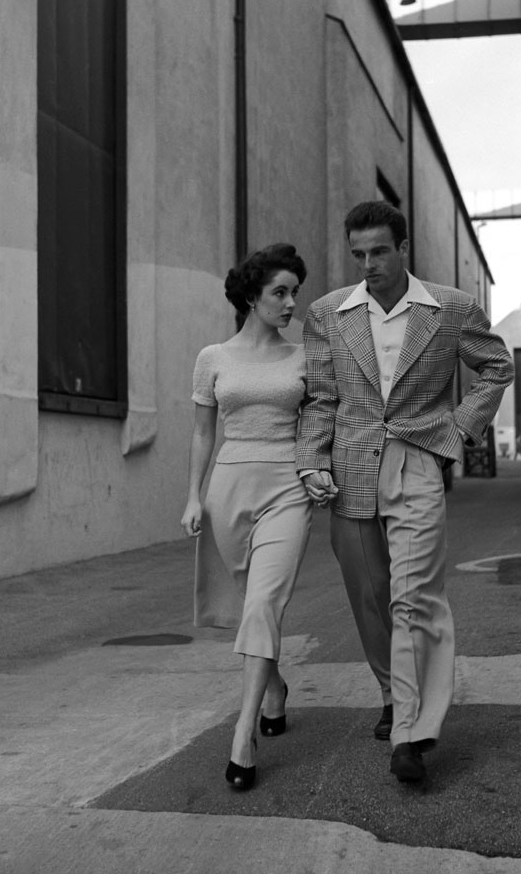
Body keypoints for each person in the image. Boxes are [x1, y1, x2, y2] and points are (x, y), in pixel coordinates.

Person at [296, 201, 514, 784]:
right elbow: (321, 398)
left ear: (403, 248)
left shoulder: (449, 309)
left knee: (414, 597)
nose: (368, 264)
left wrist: (458, 430)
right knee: (370, 598)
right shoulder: (327, 314)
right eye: (358, 254)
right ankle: (394, 693)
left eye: (379, 252)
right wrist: (310, 462)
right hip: (349, 470)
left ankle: (412, 734)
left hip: (418, 460)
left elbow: (497, 366)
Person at [180, 243, 312, 793]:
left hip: (289, 488)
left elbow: (321, 421)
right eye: (279, 292)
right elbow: (203, 431)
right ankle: (274, 686)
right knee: (244, 605)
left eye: (294, 293)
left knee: (263, 601)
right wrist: (193, 496)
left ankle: (242, 733)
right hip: (227, 489)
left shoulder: (305, 356)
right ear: (252, 297)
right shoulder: (213, 358)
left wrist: (320, 471)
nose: (289, 303)